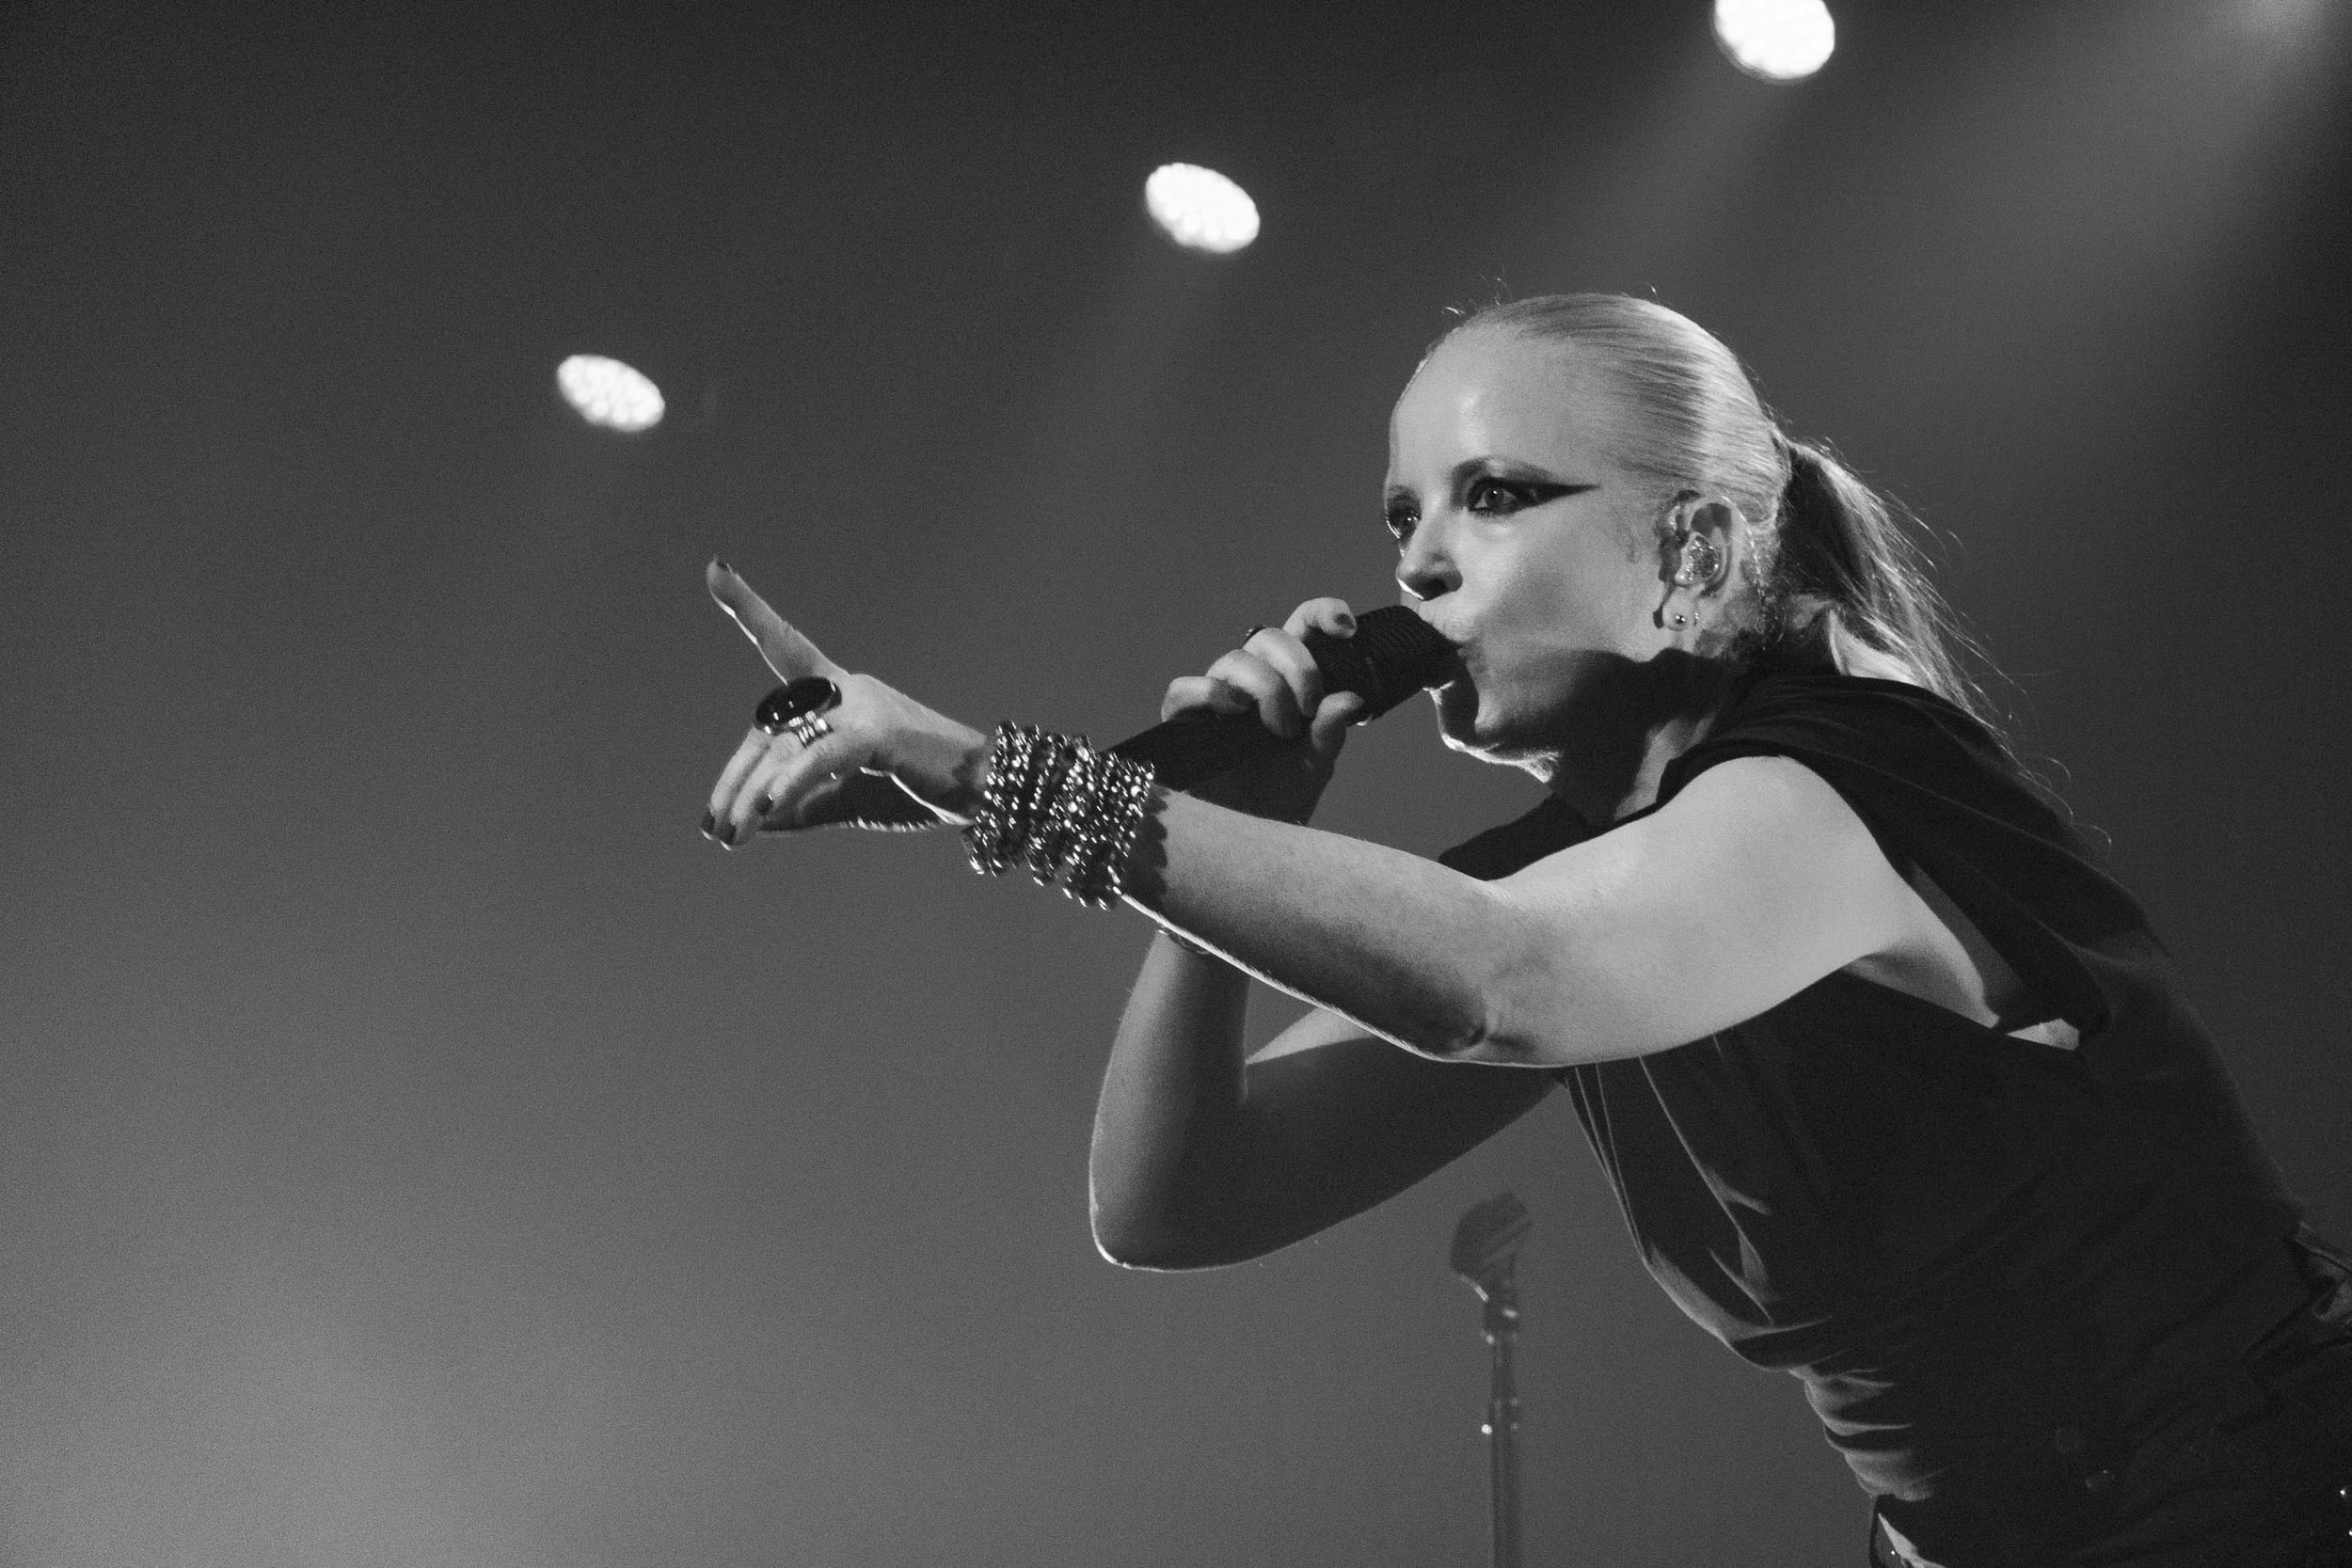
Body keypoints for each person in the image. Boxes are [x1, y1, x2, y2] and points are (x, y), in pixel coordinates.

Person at [700, 293, 2352, 1567]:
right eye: (1400, 519)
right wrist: (1242, 844)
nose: (1418, 568)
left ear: (1694, 547)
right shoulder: (1583, 864)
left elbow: (1504, 985)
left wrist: (983, 771)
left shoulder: (1839, 779)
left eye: (1492, 498)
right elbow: (1177, 1202)